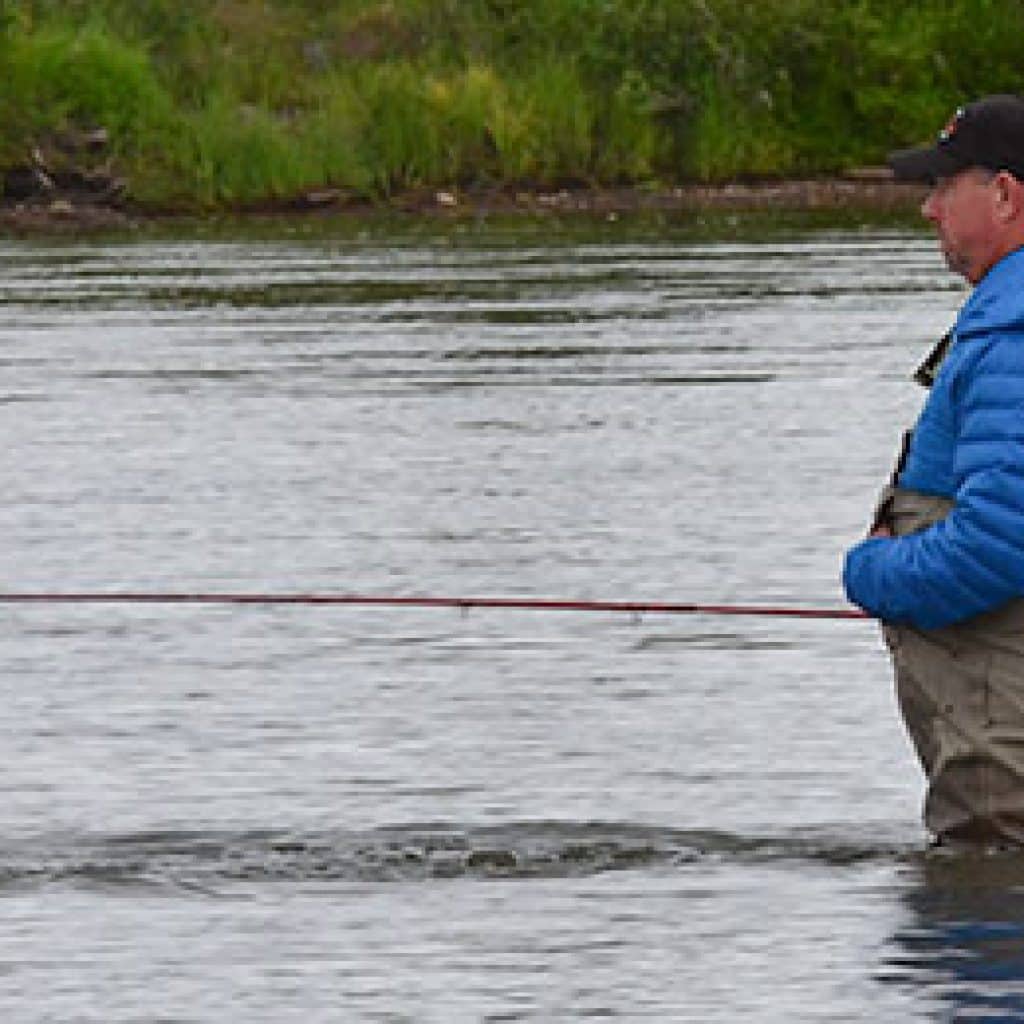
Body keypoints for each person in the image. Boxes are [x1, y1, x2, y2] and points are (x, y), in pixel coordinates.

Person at [843, 94, 1024, 847]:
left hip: (1005, 789)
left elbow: (1000, 539)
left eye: (945, 186)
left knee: (986, 886)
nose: (928, 209)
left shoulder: (1014, 337)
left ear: (1007, 194)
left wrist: (871, 571)